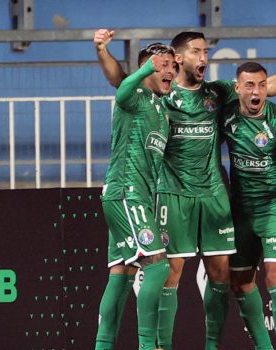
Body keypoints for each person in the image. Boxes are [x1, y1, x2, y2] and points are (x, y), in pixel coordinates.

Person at [93, 29, 276, 350]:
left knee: (220, 274)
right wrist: (104, 51)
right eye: (196, 51)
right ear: (177, 58)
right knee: (166, 273)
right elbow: (122, 80)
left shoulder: (216, 92)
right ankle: (159, 344)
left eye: (206, 51)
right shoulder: (160, 93)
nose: (204, 57)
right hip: (171, 195)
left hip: (213, 195)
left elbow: (265, 87)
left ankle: (211, 346)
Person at [222, 62, 276, 350]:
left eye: (261, 85)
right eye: (250, 85)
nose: (256, 91)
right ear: (238, 89)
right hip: (241, 212)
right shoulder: (227, 116)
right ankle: (264, 347)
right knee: (241, 283)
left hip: (275, 208)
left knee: (273, 275)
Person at [96, 42, 177, 350]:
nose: (170, 70)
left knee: (121, 274)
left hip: (137, 198)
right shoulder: (135, 96)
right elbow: (121, 91)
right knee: (157, 266)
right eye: (163, 65)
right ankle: (148, 346)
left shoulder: (160, 108)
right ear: (147, 68)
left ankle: (102, 346)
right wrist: (144, 69)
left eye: (173, 65)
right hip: (126, 195)